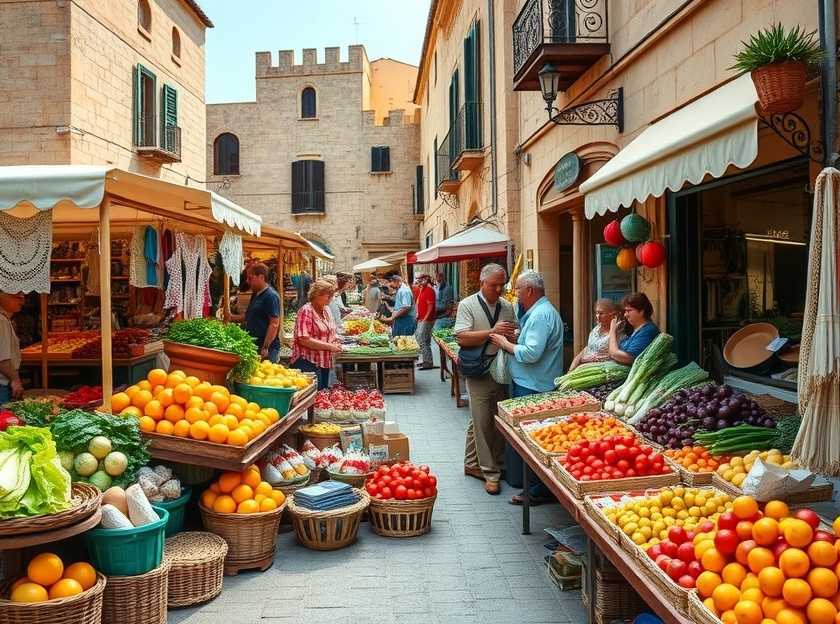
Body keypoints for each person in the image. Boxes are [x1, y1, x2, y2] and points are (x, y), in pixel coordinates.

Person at [490, 271, 564, 505]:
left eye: (519, 290)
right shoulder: (541, 312)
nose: (517, 295)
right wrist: (517, 336)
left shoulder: (541, 315)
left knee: (532, 441)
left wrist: (505, 343)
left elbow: (531, 354)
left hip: (534, 386)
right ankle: (535, 487)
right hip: (534, 382)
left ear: (530, 291)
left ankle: (536, 490)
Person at [454, 263, 516, 495]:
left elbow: (513, 332)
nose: (498, 289)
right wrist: (492, 332)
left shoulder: (508, 307)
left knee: (496, 419)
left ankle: (473, 464)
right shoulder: (468, 305)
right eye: (493, 285)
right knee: (482, 421)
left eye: (502, 284)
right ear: (482, 283)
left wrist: (512, 335)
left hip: (501, 368)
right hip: (479, 369)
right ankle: (491, 472)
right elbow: (461, 338)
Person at [290, 279, 341, 389]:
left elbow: (332, 331)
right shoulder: (306, 311)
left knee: (322, 394)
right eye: (328, 296)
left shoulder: (327, 310)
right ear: (318, 294)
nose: (330, 299)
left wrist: (336, 341)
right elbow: (303, 339)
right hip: (308, 362)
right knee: (313, 396)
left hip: (324, 362)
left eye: (332, 296)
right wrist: (330, 346)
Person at [243, 263, 281, 362]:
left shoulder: (271, 296)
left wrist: (265, 347)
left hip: (267, 349)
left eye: (250, 278)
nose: (247, 281)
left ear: (261, 277)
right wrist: (230, 317)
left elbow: (274, 324)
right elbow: (248, 315)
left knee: (267, 375)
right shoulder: (255, 294)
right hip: (254, 345)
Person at [569, 299, 622, 370]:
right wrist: (575, 363)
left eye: (601, 313)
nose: (597, 316)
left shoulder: (618, 333)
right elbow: (589, 347)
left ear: (612, 315)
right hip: (584, 368)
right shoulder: (596, 329)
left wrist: (589, 359)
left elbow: (614, 355)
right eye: (596, 313)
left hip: (602, 372)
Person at [609, 292, 660, 364]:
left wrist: (612, 331)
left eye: (629, 311)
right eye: (625, 311)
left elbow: (618, 355)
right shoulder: (634, 330)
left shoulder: (648, 331)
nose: (625, 315)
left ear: (642, 311)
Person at [0, 292, 23, 402]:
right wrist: (15, 380)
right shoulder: (1, 320)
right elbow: (3, 359)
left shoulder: (5, 319)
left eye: (23, 296)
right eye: (16, 296)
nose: (22, 301)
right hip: (3, 384)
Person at [414, 274, 437, 370]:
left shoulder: (429, 290)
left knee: (422, 340)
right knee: (424, 340)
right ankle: (427, 361)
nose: (418, 281)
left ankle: (428, 362)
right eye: (418, 279)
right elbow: (419, 303)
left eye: (420, 279)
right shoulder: (422, 289)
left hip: (427, 320)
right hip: (422, 318)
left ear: (426, 279)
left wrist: (425, 319)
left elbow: (430, 306)